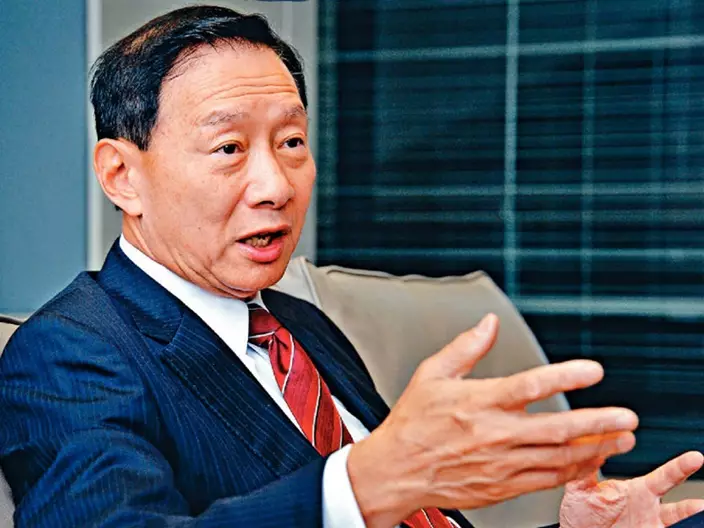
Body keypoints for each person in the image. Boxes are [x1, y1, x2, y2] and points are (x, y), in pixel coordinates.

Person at [0, 6, 702, 528]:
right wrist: (365, 484)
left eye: (292, 141)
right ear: (121, 176)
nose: (275, 185)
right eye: (229, 149)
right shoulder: (69, 351)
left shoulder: (299, 326)